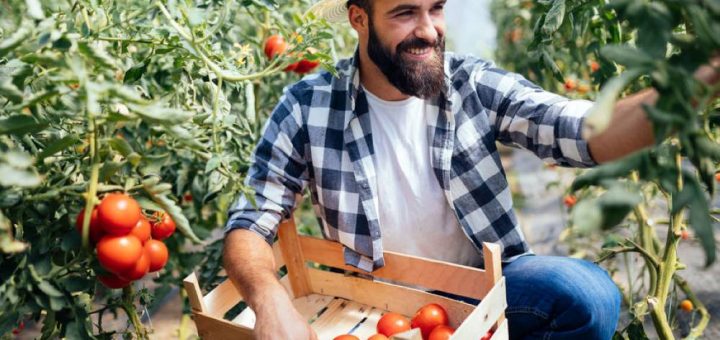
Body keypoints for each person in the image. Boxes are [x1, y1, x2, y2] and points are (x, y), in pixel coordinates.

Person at [222, 0, 720, 339]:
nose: (428, 29)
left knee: (586, 295)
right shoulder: (308, 105)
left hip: (490, 286)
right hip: (373, 301)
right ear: (359, 18)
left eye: (435, 7)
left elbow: (588, 130)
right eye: (404, 13)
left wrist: (705, 74)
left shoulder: (471, 84)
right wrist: (270, 301)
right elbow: (252, 220)